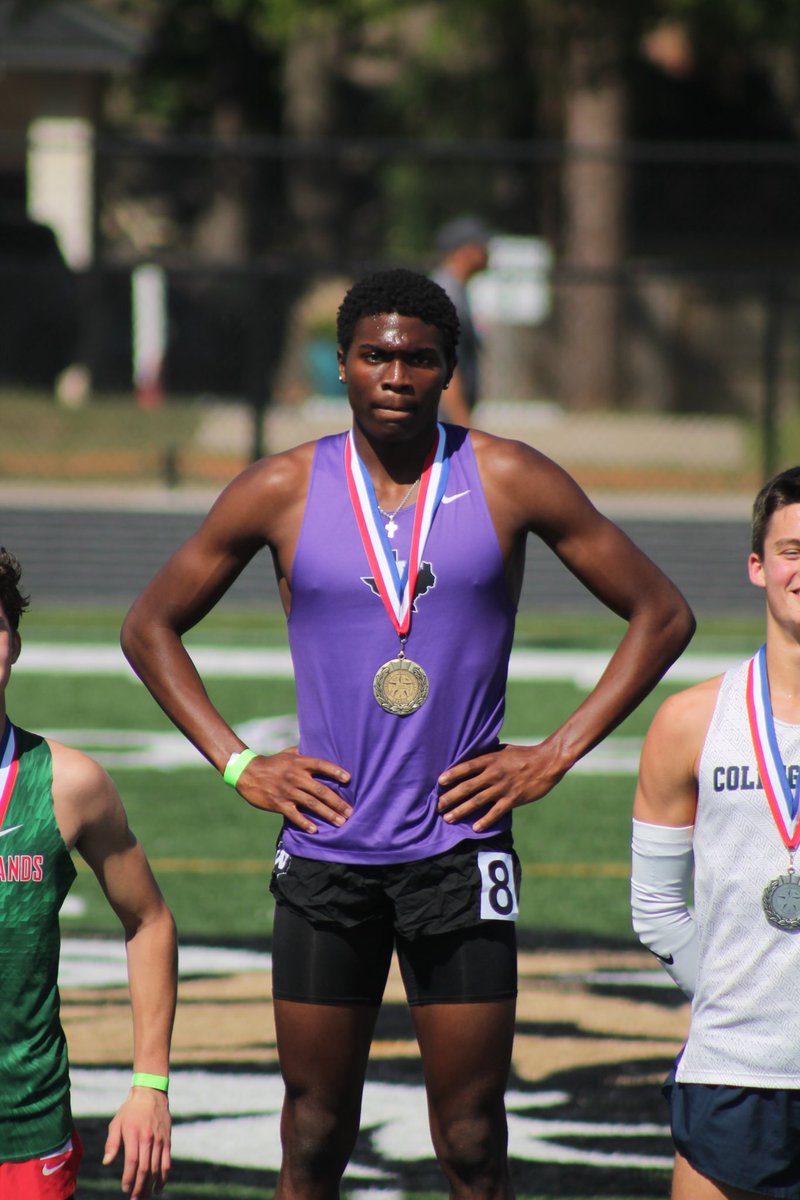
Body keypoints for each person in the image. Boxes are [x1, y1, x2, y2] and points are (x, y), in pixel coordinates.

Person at [121, 267, 694, 1200]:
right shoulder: (281, 487)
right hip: (327, 851)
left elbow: (661, 613)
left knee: (470, 1138)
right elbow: (149, 626)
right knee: (311, 1132)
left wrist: (554, 753)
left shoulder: (507, 475)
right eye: (376, 355)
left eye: (419, 358)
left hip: (460, 851)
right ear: (341, 368)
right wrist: (238, 765)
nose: (396, 375)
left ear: (447, 371)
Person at [632, 465, 800, 1200]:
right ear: (758, 565)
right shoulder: (690, 721)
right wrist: (736, 995)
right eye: (793, 550)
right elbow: (656, 909)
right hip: (732, 1068)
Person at [0, 548, 177, 1200]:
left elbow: (150, 920)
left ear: (14, 641)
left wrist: (149, 1085)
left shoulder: (69, 785)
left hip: (25, 1129)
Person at [431, 214, 490, 426]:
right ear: (463, 251)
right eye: (481, 245)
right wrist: (464, 428)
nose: (487, 252)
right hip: (440, 423)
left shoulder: (458, 291)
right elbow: (445, 368)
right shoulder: (446, 296)